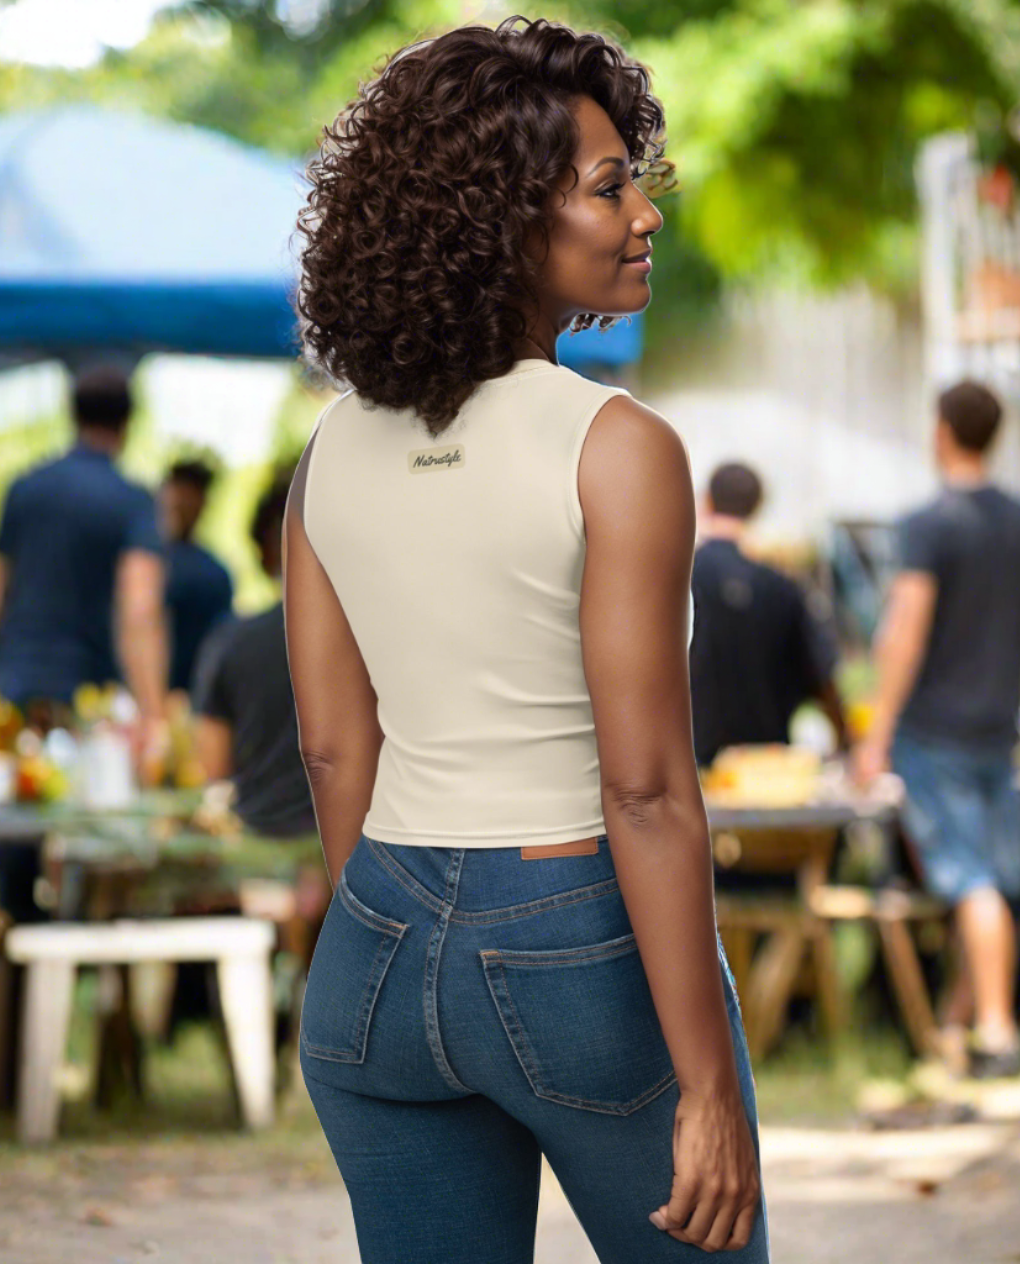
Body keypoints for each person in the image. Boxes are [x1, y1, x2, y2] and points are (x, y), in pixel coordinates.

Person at [284, 19, 766, 1262]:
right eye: (610, 187)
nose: (646, 213)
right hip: (577, 934)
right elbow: (647, 787)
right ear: (501, 218)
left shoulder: (328, 452)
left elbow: (337, 752)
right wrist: (707, 1086)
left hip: (374, 940)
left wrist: (398, 940)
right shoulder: (616, 445)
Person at [854, 380, 1020, 1078]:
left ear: (942, 431)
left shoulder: (928, 523)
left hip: (934, 729)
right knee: (994, 887)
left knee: (970, 881)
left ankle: (995, 1033)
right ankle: (955, 1025)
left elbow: (905, 634)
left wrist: (877, 732)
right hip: (999, 726)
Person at [0, 364, 168, 753]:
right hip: (87, 705)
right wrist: (152, 715)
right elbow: (140, 610)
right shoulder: (132, 500)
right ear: (127, 423)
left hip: (16, 694)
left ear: (73, 416)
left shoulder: (24, 488)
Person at [692, 461, 849, 767]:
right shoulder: (784, 588)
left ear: (706, 501)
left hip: (689, 765)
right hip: (766, 770)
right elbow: (822, 676)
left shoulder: (676, 581)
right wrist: (847, 744)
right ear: (757, 507)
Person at [192, 478, 317, 841]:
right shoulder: (381, 639)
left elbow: (212, 769)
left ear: (264, 554)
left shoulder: (230, 643)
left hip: (258, 844)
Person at [162, 458, 234, 695]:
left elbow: (219, 646)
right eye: (179, 494)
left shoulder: (215, 574)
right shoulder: (143, 563)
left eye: (192, 496)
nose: (184, 504)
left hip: (192, 696)